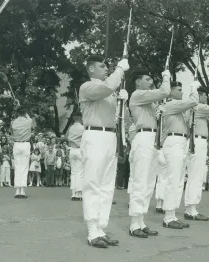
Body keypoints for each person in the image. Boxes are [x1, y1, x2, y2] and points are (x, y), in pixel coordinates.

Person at [79, 55, 129, 248]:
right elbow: (107, 86)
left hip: (109, 136)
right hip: (94, 136)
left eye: (107, 66)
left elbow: (118, 116)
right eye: (102, 66)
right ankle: (92, 230)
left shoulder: (109, 91)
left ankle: (101, 227)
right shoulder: (88, 87)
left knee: (107, 186)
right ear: (91, 69)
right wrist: (120, 69)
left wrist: (122, 101)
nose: (106, 68)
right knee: (93, 183)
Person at [128, 68, 170, 238]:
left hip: (152, 139)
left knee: (149, 183)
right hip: (143, 137)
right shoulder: (137, 94)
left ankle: (141, 221)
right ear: (138, 81)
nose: (150, 82)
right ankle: (133, 224)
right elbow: (164, 91)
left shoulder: (148, 101)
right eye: (147, 79)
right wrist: (166, 76)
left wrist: (159, 114)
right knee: (140, 181)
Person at [161, 81, 199, 229]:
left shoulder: (179, 108)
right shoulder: (171, 104)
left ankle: (172, 214)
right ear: (170, 92)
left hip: (181, 141)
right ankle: (168, 216)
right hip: (174, 140)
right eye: (178, 90)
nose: (181, 92)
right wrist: (193, 88)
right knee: (173, 179)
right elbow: (193, 101)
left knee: (178, 181)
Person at [184, 87, 209, 220]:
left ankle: (190, 208)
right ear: (198, 96)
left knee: (194, 176)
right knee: (196, 176)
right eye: (205, 96)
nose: (206, 98)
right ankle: (191, 210)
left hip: (196, 141)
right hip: (198, 141)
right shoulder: (198, 107)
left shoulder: (196, 108)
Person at [11, 105, 34, 198]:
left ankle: (17, 190)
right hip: (25, 144)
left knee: (17, 167)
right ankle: (22, 191)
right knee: (24, 167)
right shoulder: (28, 121)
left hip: (16, 144)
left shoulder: (13, 122)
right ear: (25, 113)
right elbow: (29, 117)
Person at [67, 111, 84, 200]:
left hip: (72, 149)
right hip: (79, 149)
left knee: (73, 172)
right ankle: (79, 193)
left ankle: (73, 193)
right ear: (80, 118)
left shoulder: (71, 128)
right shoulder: (82, 128)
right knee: (80, 172)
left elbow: (68, 138)